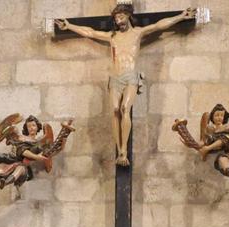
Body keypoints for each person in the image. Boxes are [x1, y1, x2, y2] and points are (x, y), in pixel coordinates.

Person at [55, 5, 196, 166]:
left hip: (130, 76)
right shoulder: (112, 36)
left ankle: (124, 150)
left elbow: (158, 25)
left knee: (124, 108)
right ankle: (120, 150)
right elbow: (91, 32)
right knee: (115, 110)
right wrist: (70, 26)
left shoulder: (137, 33)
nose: (117, 19)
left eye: (120, 16)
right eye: (115, 17)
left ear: (128, 15)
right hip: (115, 77)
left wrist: (180, 16)